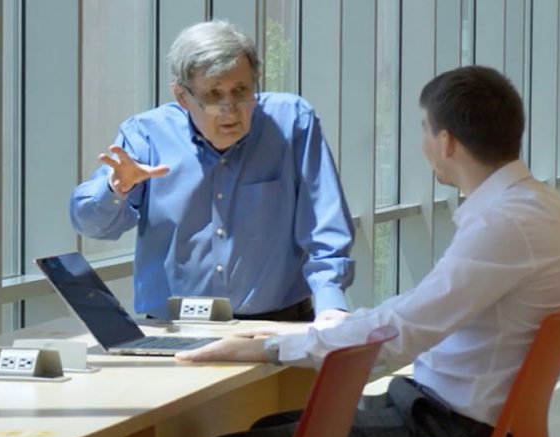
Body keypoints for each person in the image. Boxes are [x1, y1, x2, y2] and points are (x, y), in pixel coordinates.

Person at [175, 65, 560, 437]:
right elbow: (417, 310)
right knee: (271, 431)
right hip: (464, 419)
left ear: (447, 142)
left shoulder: (506, 224)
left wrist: (271, 347)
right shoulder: (547, 208)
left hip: (455, 435)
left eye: (424, 130)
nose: (425, 143)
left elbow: (403, 332)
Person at [69, 20, 354, 323]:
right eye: (214, 95)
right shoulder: (146, 135)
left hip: (277, 324)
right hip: (173, 331)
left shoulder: (291, 122)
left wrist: (331, 304)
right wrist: (116, 191)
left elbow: (324, 223)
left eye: (241, 90)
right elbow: (91, 226)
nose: (230, 108)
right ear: (182, 97)